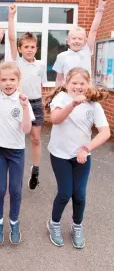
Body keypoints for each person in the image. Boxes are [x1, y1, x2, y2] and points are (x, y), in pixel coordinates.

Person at [45, 67, 110, 249]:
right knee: (65, 193)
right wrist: (73, 104)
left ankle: (77, 226)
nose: (78, 86)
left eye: (82, 83)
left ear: (87, 85)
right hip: (60, 155)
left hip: (82, 156)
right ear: (66, 84)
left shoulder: (93, 105)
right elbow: (56, 119)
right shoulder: (61, 99)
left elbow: (105, 132)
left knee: (79, 195)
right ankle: (54, 223)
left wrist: (86, 148)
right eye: (74, 83)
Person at [0, 24, 35, 245]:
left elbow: (26, 130)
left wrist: (25, 108)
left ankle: (14, 222)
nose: (7, 83)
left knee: (15, 190)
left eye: (12, 80)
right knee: (0, 189)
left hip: (17, 152)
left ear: (18, 81)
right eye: (3, 80)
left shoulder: (23, 100)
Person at [8, 5, 47, 189]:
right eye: (26, 47)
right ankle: (16, 169)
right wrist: (11, 16)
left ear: (36, 48)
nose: (30, 49)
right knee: (17, 137)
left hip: (36, 103)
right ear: (20, 48)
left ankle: (36, 170)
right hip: (20, 102)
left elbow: (41, 85)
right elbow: (11, 37)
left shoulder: (41, 65)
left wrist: (45, 100)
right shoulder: (17, 61)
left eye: (32, 47)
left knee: (36, 138)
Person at [53, 0, 108, 86]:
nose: (77, 41)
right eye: (74, 38)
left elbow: (93, 30)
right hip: (69, 93)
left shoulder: (87, 50)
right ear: (68, 41)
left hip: (86, 92)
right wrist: (56, 96)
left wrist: (100, 8)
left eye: (80, 38)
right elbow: (59, 79)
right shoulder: (61, 56)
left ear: (85, 41)